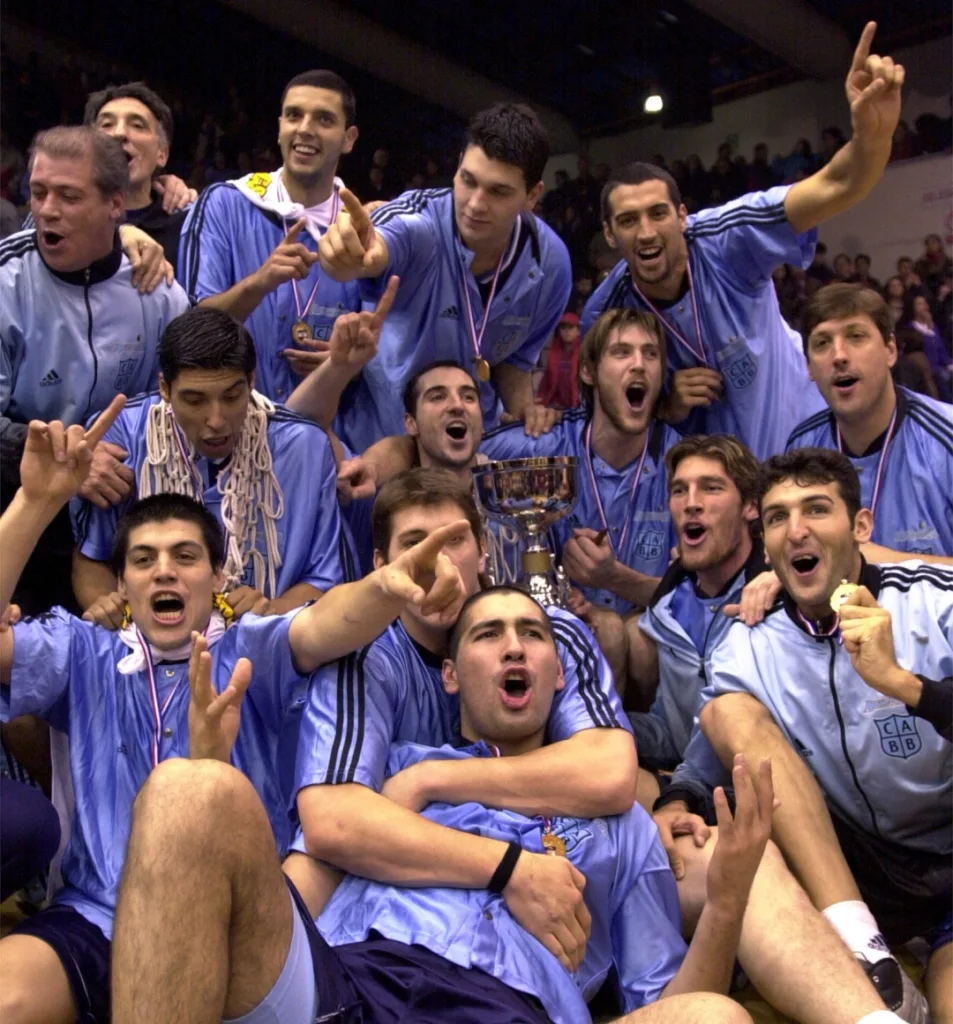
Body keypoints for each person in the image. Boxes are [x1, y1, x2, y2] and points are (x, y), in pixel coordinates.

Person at [115, 586, 905, 1024]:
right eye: (487, 635)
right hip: (346, 987)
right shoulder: (395, 772)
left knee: (716, 1022)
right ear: (450, 674)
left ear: (558, 673)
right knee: (188, 789)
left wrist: (725, 901)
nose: (515, 645)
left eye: (532, 633)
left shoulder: (622, 826)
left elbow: (665, 1000)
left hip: (507, 1008)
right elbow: (296, 898)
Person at [0, 400, 471, 1024]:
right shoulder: (81, 651)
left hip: (236, 924)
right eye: (143, 559)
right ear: (123, 583)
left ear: (218, 576)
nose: (163, 571)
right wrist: (35, 502)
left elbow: (328, 623)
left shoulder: (254, 646)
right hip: (96, 915)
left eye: (185, 556)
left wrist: (383, 587)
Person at [286, 471, 639, 920]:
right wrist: (505, 867)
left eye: (453, 541)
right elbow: (332, 824)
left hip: (544, 854)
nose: (438, 563)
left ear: (483, 549)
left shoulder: (548, 629)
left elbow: (611, 773)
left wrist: (429, 779)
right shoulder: (364, 652)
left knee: (653, 833)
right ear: (381, 566)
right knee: (307, 872)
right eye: (414, 544)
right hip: (410, 881)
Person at [696, 448, 950, 1023]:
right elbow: (707, 752)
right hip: (861, 869)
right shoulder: (747, 641)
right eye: (778, 517)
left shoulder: (934, 599)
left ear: (860, 527)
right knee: (727, 709)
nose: (797, 531)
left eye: (816, 509)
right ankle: (863, 948)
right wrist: (676, 799)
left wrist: (901, 683)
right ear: (765, 546)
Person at [581, 23, 905, 461]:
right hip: (718, 487)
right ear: (609, 233)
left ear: (682, 215)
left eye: (658, 213)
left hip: (809, 452)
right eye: (627, 220)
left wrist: (873, 135)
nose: (646, 232)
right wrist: (666, 405)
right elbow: (605, 424)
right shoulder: (605, 312)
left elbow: (838, 184)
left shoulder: (728, 238)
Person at [70, 305, 360, 631]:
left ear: (251, 381)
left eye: (232, 397)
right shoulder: (121, 436)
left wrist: (271, 613)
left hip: (266, 646)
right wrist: (113, 611)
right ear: (164, 388)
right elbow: (92, 559)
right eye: (195, 401)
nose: (216, 420)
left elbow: (326, 580)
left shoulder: (305, 446)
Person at [0, 126, 189, 613]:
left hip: (117, 532)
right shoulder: (5, 282)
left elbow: (179, 412)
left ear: (115, 205)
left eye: (68, 196)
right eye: (38, 192)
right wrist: (66, 461)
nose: (47, 210)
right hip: (15, 520)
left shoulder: (161, 294)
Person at [315, 102, 572, 450]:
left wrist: (526, 411)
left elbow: (513, 363)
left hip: (468, 452)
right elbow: (378, 245)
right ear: (458, 166)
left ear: (532, 196)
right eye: (468, 180)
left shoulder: (552, 265)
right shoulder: (420, 222)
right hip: (382, 443)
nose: (475, 203)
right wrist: (348, 257)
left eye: (498, 191)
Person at [178, 70, 363, 404]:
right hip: (229, 424)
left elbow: (387, 348)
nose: (305, 129)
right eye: (294, 115)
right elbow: (190, 332)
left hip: (325, 427)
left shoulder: (363, 232)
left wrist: (349, 366)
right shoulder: (224, 204)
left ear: (348, 139)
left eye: (324, 119)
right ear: (280, 128)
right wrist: (258, 283)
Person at [481, 308, 680, 617]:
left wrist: (614, 578)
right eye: (621, 352)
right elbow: (447, 455)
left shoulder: (681, 463)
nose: (639, 365)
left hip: (646, 635)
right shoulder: (542, 444)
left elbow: (701, 599)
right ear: (588, 371)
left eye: (650, 354)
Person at [623, 435, 765, 791]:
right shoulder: (668, 604)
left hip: (764, 789)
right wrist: (598, 728)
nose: (691, 504)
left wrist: (780, 577)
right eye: (679, 490)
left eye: (711, 488)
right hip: (690, 784)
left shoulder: (778, 595)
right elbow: (673, 734)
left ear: (751, 506)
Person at [786, 285, 953, 555]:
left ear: (890, 350)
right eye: (822, 343)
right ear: (809, 368)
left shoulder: (946, 439)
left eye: (856, 336)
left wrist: (883, 563)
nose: (839, 356)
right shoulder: (801, 448)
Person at [84, 82, 193, 271]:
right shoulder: (54, 212)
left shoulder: (189, 225)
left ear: (162, 154)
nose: (119, 133)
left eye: (137, 125)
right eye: (107, 124)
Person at [903, 291, 951, 401]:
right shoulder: (911, 328)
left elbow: (941, 349)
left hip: (941, 367)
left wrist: (949, 364)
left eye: (924, 303)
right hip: (928, 369)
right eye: (919, 304)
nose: (923, 306)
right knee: (941, 378)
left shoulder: (933, 326)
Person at [536, 311, 581, 410]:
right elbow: (547, 380)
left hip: (577, 404)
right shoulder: (554, 351)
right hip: (557, 404)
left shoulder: (583, 351)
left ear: (578, 331)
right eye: (563, 328)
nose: (566, 331)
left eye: (570, 327)